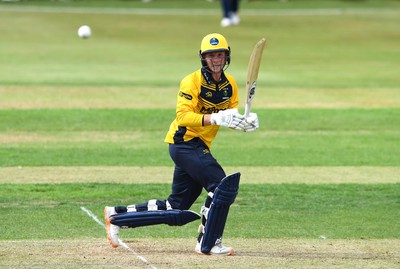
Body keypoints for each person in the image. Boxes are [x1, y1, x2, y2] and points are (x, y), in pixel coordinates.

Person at [104, 33, 259, 255]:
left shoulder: (230, 84)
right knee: (220, 185)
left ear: (227, 56)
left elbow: (230, 115)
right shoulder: (191, 81)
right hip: (184, 142)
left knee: (175, 206)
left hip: (200, 145)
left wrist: (245, 122)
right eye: (211, 55)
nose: (216, 60)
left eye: (220, 55)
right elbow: (183, 116)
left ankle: (117, 216)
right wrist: (214, 118)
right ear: (203, 59)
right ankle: (208, 242)